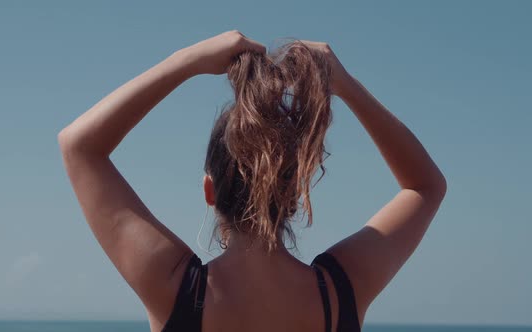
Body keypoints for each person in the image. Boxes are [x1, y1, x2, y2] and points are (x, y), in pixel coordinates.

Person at [58, 30, 447, 332]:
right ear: (294, 192)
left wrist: (187, 61)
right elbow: (425, 186)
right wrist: (343, 85)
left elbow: (79, 146)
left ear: (210, 191)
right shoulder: (340, 291)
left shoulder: (176, 290)